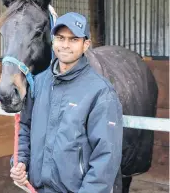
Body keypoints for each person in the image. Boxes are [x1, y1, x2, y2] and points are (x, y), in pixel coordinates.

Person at [10, 12, 123, 193]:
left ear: (85, 44)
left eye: (73, 39)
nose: (65, 45)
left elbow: (106, 156)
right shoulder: (39, 83)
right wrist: (21, 162)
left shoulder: (100, 92)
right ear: (53, 41)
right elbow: (25, 127)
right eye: (60, 38)